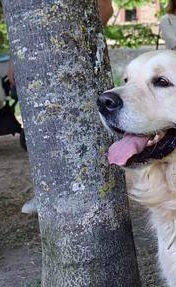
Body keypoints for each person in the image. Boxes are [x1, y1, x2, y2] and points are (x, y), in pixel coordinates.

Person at [20, 0, 113, 214]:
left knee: (87, 129)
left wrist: (75, 44)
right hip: (40, 63)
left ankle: (93, 189)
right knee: (47, 130)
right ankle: (49, 190)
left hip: (78, 60)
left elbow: (106, 9)